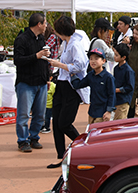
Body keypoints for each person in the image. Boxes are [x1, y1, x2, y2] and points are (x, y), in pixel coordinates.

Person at [46, 16, 89, 168]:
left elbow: (81, 65)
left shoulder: (74, 44)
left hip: (71, 88)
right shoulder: (66, 43)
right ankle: (60, 155)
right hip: (62, 85)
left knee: (64, 123)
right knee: (56, 123)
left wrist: (61, 65)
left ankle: (85, 147)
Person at [13, 13, 50, 153]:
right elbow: (18, 60)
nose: (46, 26)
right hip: (26, 82)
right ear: (39, 24)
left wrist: (47, 77)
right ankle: (22, 141)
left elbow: (42, 61)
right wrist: (36, 56)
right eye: (45, 23)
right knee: (23, 114)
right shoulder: (21, 39)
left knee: (40, 114)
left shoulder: (41, 38)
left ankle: (34, 137)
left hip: (41, 81)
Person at [71, 48, 116, 124]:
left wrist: (109, 111)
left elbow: (112, 95)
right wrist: (73, 76)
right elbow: (78, 85)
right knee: (91, 132)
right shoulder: (90, 75)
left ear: (103, 61)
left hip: (103, 113)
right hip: (92, 112)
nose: (93, 61)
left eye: (96, 58)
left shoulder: (108, 77)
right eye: (91, 59)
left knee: (98, 133)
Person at [112, 43, 135, 120]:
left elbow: (130, 87)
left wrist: (117, 90)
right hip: (116, 99)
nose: (114, 57)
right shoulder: (116, 68)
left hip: (124, 100)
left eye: (117, 55)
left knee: (120, 121)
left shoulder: (128, 71)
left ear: (123, 57)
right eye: (114, 54)